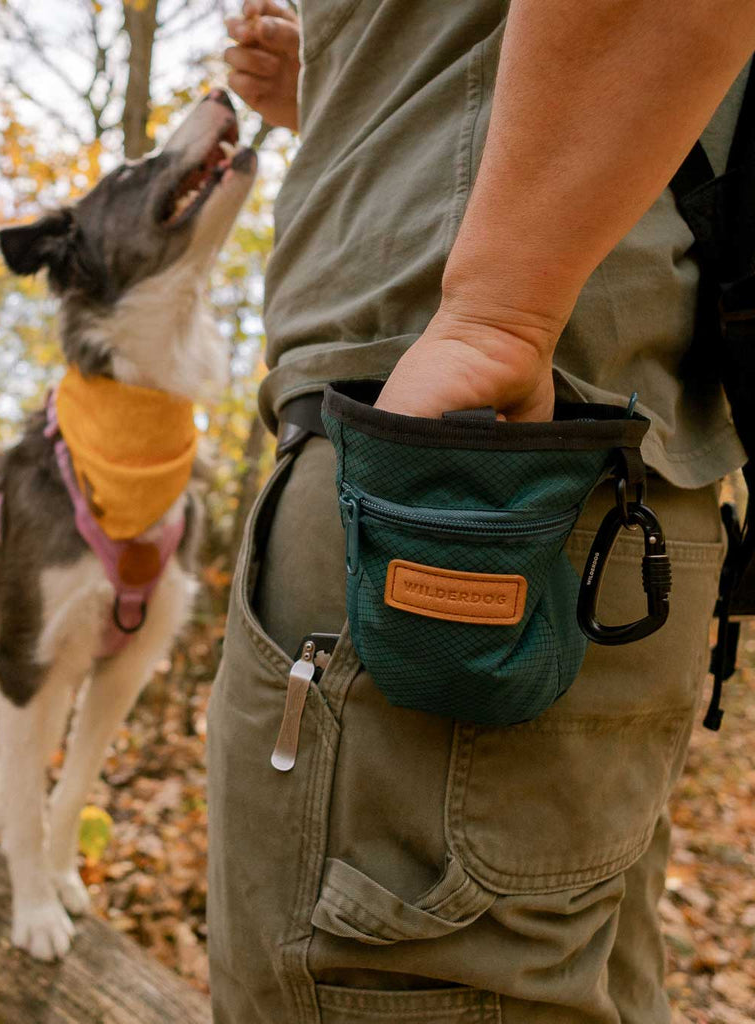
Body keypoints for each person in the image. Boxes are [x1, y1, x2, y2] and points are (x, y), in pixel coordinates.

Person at [205, 2, 755, 1022]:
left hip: (468, 446)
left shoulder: (488, 338)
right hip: (575, 447)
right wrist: (331, 92)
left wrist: (499, 309)